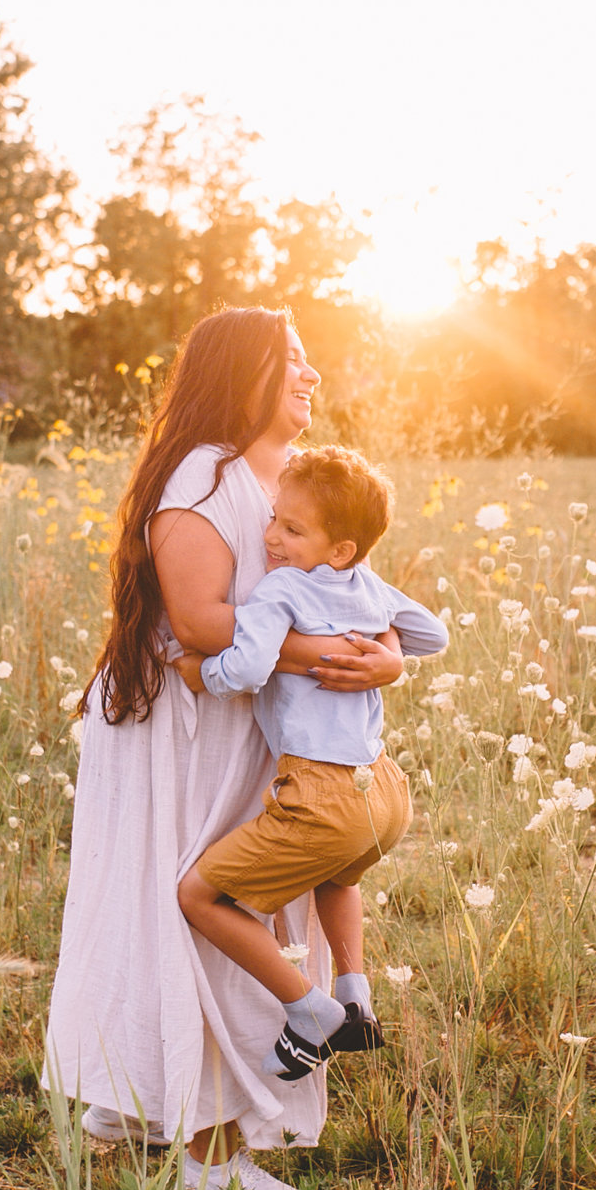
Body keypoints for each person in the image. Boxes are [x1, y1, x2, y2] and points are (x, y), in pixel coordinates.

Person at [42, 308, 405, 1190]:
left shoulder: (284, 474)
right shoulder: (201, 473)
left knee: (220, 901)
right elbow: (202, 622)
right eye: (291, 361)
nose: (311, 375)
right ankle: (205, 1153)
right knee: (198, 901)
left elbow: (354, 590)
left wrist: (386, 654)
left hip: (243, 722)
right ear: (242, 373)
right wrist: (325, 656)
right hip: (183, 726)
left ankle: (154, 1101)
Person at [168, 446, 446, 1082]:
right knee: (338, 879)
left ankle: (309, 1010)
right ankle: (355, 994)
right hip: (384, 791)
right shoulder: (369, 587)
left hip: (322, 794)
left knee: (199, 895)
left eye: (292, 530)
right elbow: (435, 634)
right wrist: (387, 650)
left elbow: (245, 668)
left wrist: (196, 670)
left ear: (341, 548)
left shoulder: (281, 588)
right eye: (274, 519)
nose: (271, 537)